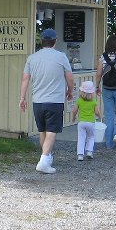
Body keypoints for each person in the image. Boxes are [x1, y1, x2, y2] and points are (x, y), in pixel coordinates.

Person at [19, 28, 74, 174]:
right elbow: (70, 78)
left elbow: (25, 79)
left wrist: (22, 98)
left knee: (42, 131)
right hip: (54, 100)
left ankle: (46, 158)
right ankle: (43, 161)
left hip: (38, 101)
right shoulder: (61, 57)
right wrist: (70, 91)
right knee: (52, 131)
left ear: (41, 42)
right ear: (55, 41)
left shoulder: (32, 58)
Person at [71, 80, 102, 161]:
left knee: (81, 138)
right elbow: (97, 112)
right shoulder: (93, 101)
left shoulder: (79, 101)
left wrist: (73, 118)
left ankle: (80, 155)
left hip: (81, 122)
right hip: (91, 122)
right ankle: (89, 151)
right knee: (91, 137)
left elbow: (74, 111)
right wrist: (100, 116)